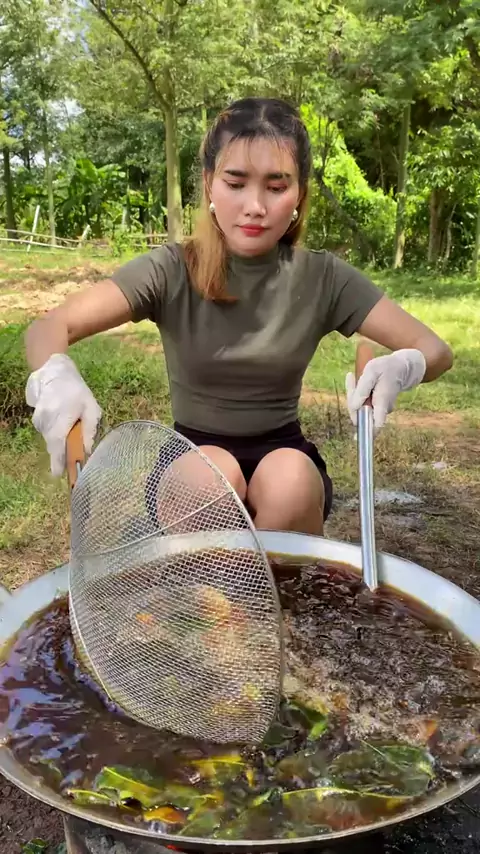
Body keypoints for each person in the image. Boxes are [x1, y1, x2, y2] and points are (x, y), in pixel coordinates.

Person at [24, 97, 453, 536]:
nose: (255, 206)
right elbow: (49, 327)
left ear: (300, 194)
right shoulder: (171, 269)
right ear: (209, 183)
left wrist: (405, 366)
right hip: (191, 459)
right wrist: (56, 376)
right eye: (235, 182)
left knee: (290, 483)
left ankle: (283, 579)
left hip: (283, 453)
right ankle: (205, 582)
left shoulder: (323, 277)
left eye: (276, 186)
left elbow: (436, 350)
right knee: (208, 478)